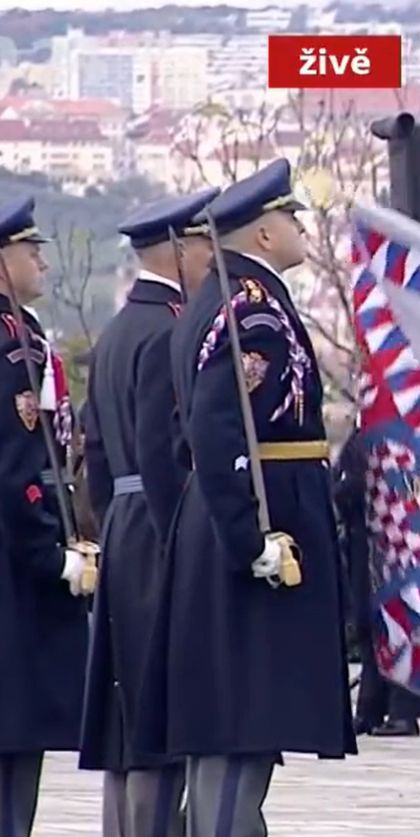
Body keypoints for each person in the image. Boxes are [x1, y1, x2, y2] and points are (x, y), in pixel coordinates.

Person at [151, 159, 356, 836]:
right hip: (259, 527)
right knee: (240, 725)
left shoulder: (224, 299)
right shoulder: (251, 310)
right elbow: (215, 427)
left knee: (237, 727)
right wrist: (250, 540)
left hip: (237, 520)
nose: (301, 227)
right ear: (264, 234)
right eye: (291, 217)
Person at [80, 187, 219, 837]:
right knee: (160, 707)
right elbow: (166, 450)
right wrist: (175, 537)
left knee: (131, 711)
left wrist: (115, 524)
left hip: (124, 525)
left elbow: (96, 453)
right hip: (161, 524)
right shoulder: (169, 329)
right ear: (181, 249)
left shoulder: (115, 333)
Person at [0, 196, 91, 836]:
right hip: (12, 561)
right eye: (28, 250)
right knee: (13, 732)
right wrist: (50, 550)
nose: (40, 260)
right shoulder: (10, 348)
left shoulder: (23, 334)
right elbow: (16, 464)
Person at [333, 424, 420, 737]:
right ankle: (371, 708)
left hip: (388, 542)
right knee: (370, 626)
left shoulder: (394, 432)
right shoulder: (373, 431)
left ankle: (402, 711)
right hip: (369, 537)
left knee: (395, 624)